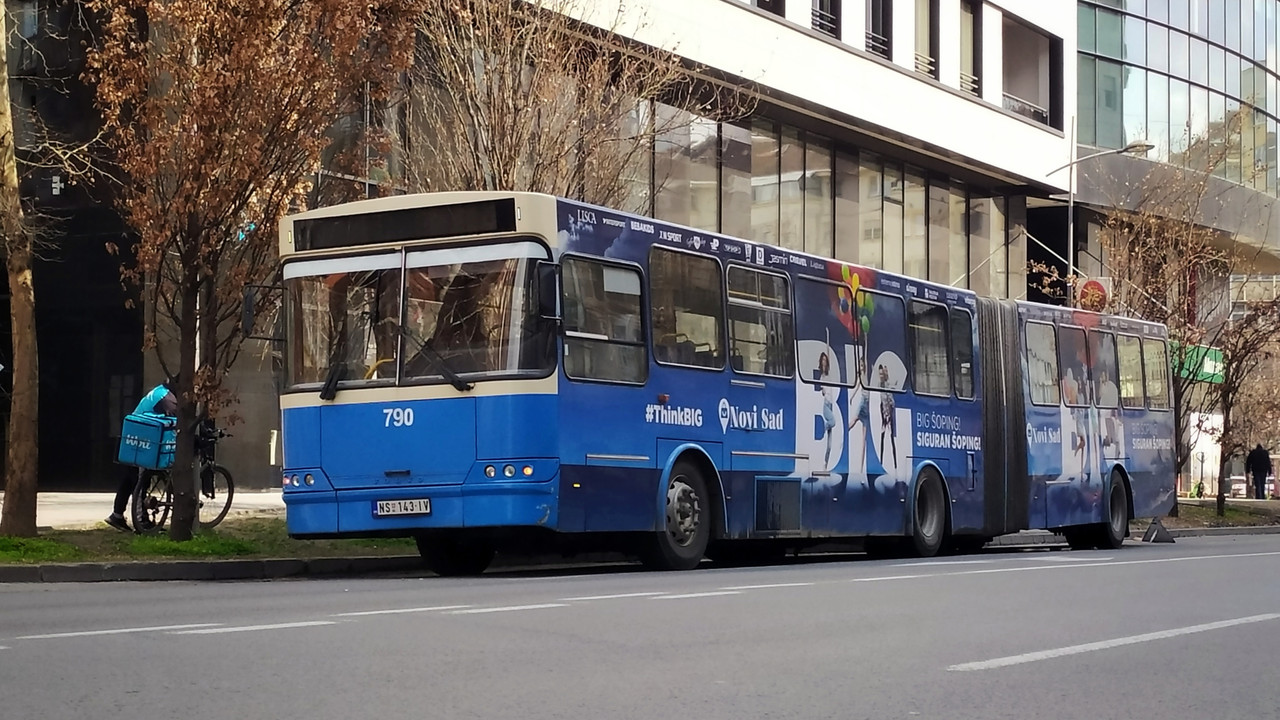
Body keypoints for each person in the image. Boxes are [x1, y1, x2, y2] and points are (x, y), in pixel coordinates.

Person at [105, 380, 178, 532]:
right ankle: (141, 521)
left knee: (130, 479)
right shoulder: (168, 399)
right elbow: (179, 421)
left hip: (135, 436)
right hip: (144, 439)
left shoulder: (160, 391)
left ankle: (117, 515)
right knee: (140, 481)